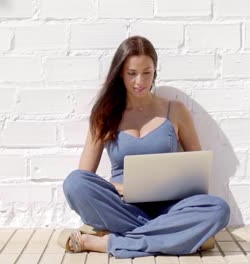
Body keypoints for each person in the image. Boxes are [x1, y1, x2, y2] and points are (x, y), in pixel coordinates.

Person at [58, 36, 230, 259]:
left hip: (170, 207)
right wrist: (120, 188)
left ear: (155, 71)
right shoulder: (105, 115)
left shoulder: (175, 110)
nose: (140, 81)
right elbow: (84, 175)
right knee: (75, 183)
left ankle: (109, 242)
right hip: (123, 207)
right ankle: (177, 237)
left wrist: (173, 187)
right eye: (131, 73)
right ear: (120, 73)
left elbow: (197, 171)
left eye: (147, 73)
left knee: (218, 208)